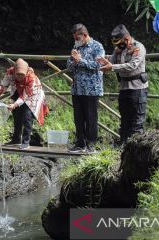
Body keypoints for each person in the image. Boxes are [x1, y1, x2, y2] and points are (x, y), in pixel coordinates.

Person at [98, 24, 147, 144]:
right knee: (124, 120)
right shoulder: (118, 50)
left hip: (137, 89)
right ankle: (123, 149)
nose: (118, 45)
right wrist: (106, 62)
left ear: (126, 38)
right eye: (116, 43)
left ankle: (136, 149)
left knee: (137, 122)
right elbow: (112, 62)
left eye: (120, 42)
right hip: (124, 88)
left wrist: (112, 67)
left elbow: (132, 65)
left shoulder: (138, 47)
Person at [0, 58, 49, 149]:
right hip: (18, 91)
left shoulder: (31, 78)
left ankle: (26, 142)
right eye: (18, 74)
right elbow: (3, 86)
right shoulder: (10, 73)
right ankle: (16, 139)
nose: (20, 77)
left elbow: (25, 96)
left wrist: (14, 104)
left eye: (22, 75)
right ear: (15, 71)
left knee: (27, 116)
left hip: (33, 95)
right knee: (16, 115)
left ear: (26, 72)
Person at [66, 23, 105, 153]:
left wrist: (80, 61)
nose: (75, 40)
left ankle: (91, 144)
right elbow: (69, 67)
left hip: (92, 89)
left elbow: (98, 65)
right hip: (77, 88)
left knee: (91, 117)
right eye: (74, 38)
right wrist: (73, 59)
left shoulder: (97, 46)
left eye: (77, 38)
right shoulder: (76, 47)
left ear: (85, 35)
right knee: (78, 117)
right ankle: (80, 143)